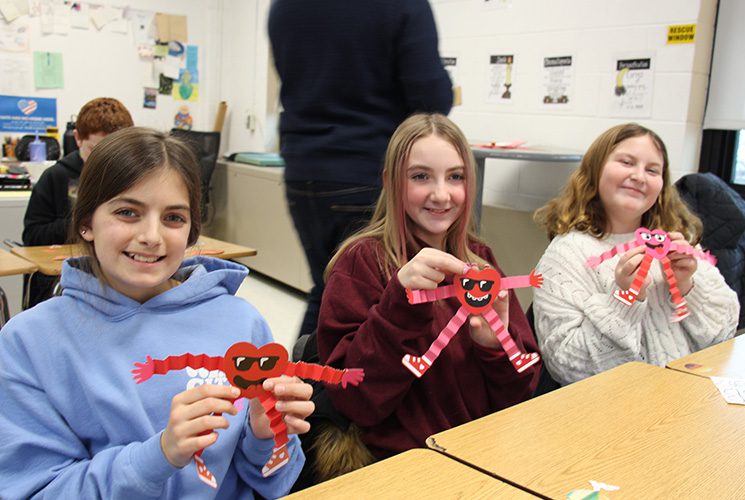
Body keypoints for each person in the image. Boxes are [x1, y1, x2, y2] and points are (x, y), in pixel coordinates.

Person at [0, 127, 312, 498]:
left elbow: (274, 480)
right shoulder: (28, 344)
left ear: (192, 230)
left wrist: (266, 434)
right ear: (86, 222)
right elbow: (36, 490)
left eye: (173, 218)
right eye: (128, 212)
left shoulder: (242, 322)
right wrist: (159, 455)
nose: (152, 236)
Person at [316, 114, 541, 461]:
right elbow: (356, 403)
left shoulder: (480, 260)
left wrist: (497, 346)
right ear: (391, 182)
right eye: (421, 176)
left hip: (481, 453)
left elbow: (520, 393)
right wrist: (400, 307)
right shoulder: (361, 263)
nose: (441, 194)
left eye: (455, 177)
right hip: (405, 463)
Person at [267, 0, 454, 341]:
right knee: (379, 297)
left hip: (302, 169)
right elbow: (431, 98)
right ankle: (336, 387)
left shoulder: (284, 6)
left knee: (328, 287)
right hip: (367, 171)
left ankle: (303, 383)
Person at [532, 123, 739, 385]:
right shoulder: (565, 256)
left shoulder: (677, 243)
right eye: (627, 162)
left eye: (652, 170)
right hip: (615, 409)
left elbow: (723, 335)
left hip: (687, 395)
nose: (640, 176)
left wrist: (687, 286)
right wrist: (624, 298)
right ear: (595, 171)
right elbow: (569, 367)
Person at [22, 97, 134, 308]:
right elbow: (33, 236)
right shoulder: (55, 177)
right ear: (78, 138)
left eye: (114, 151)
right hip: (64, 281)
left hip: (118, 278)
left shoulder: (131, 180)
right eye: (95, 150)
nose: (105, 161)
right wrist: (85, 220)